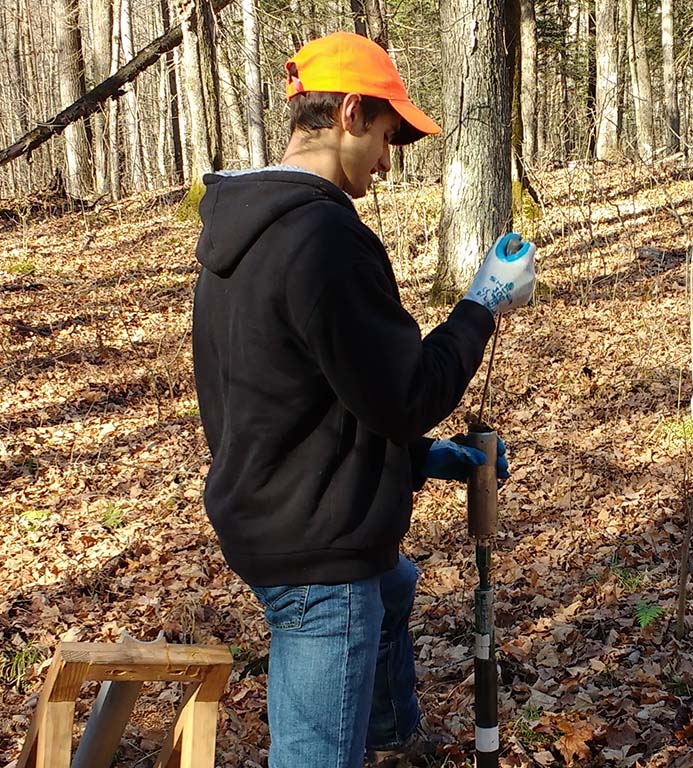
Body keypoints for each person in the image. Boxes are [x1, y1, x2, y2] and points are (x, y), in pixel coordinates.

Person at [192, 31, 536, 768]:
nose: (386, 161)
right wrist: (482, 306)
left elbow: (305, 391)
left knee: (395, 583)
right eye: (384, 137)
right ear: (350, 112)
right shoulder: (324, 236)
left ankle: (393, 741)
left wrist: (420, 457)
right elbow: (405, 392)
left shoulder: (242, 229)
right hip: (318, 557)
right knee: (315, 752)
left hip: (268, 515)